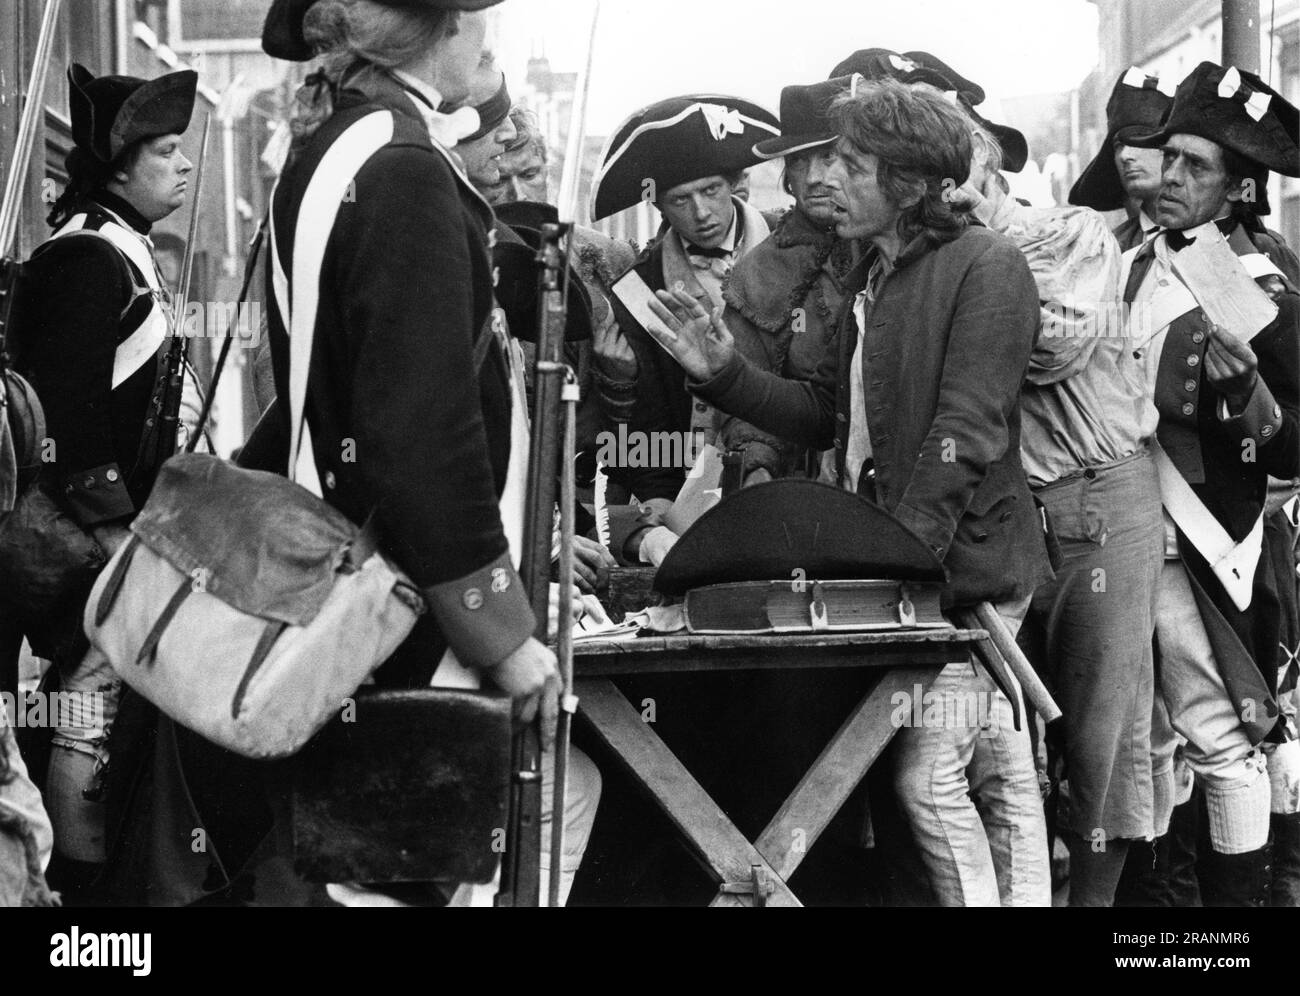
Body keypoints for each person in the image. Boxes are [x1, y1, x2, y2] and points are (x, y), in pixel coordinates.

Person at [648, 78, 1054, 906]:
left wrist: (900, 569)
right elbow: (823, 417)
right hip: (928, 576)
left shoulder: (988, 265)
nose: (826, 178)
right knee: (999, 780)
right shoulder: (874, 273)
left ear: (904, 183)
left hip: (968, 579)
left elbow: (964, 435)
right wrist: (724, 373)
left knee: (930, 778)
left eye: (850, 163)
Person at [253, 0, 600, 906]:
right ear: (440, 29)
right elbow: (421, 433)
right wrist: (501, 630)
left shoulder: (344, 147)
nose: (488, 42)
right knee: (414, 889)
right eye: (478, 23)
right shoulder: (403, 166)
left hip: (361, 590)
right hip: (406, 611)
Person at [954, 113, 1166, 905]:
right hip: (1004, 515)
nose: (949, 196)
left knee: (1101, 734)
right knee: (1004, 733)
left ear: (992, 172)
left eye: (960, 176)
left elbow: (1052, 346)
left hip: (1095, 497)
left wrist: (956, 306)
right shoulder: (935, 264)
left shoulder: (1067, 233)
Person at [7, 61, 197, 898]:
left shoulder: (121, 246)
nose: (184, 164)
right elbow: (68, 421)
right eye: (164, 150)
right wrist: (118, 534)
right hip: (84, 538)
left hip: (124, 527)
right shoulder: (85, 254)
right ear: (117, 165)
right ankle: (80, 899)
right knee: (88, 700)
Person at [1121, 61, 1300, 906]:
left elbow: (1295, 442)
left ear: (1236, 192)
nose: (1170, 179)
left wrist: (1247, 394)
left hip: (1200, 543)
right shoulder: (1127, 264)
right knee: (1136, 746)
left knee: (1222, 743)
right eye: (1170, 158)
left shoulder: (1244, 279)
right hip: (1113, 534)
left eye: (1196, 167)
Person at [587, 94, 780, 566]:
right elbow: (645, 429)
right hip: (697, 494)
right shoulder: (636, 294)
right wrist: (661, 516)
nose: (701, 213)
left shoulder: (795, 248)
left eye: (711, 190)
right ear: (656, 204)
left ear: (737, 182)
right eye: (680, 199)